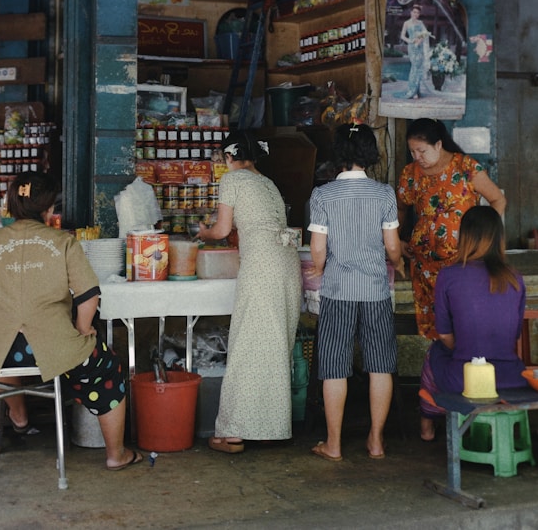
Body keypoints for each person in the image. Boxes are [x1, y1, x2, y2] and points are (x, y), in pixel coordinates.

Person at [0, 172, 141, 471]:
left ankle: (19, 414)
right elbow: (88, 296)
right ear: (49, 209)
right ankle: (116, 454)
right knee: (108, 367)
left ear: (10, 206)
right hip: (54, 348)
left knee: (0, 350)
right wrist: (83, 329)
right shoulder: (63, 241)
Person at [196, 130, 301, 454]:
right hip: (287, 265)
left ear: (229, 156)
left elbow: (223, 230)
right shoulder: (267, 182)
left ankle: (232, 434)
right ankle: (268, 428)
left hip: (261, 267)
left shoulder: (234, 180)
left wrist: (201, 231)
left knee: (246, 346)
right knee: (274, 347)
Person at [307, 124, 404, 461]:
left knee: (334, 366)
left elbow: (317, 249)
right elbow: (392, 247)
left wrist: (319, 269)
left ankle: (333, 444)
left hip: (338, 289)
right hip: (376, 289)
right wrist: (399, 263)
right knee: (380, 364)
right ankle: (376, 440)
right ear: (369, 153)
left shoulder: (322, 195)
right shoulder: (384, 194)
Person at [418, 206, 528, 441]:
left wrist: (468, 351)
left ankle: (427, 425)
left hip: (465, 379)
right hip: (512, 378)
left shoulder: (448, 276)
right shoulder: (515, 278)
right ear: (499, 237)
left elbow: (445, 336)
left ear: (464, 237)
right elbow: (514, 334)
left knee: (434, 352)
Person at [397, 118, 506, 340]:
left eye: (422, 151)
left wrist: (484, 241)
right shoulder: (411, 173)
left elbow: (498, 200)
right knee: (437, 328)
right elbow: (399, 208)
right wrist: (397, 240)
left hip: (463, 261)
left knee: (463, 321)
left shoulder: (465, 167)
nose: (417, 157)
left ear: (438, 144)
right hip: (424, 266)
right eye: (413, 152)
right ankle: (441, 368)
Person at [394, 5, 432, 99]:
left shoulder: (420, 23)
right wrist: (411, 41)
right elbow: (402, 36)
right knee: (414, 67)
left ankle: (416, 90)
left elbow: (425, 33)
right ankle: (412, 90)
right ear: (411, 12)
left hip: (419, 48)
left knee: (418, 69)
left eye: (418, 13)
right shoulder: (406, 23)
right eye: (414, 12)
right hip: (412, 47)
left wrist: (420, 40)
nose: (416, 14)